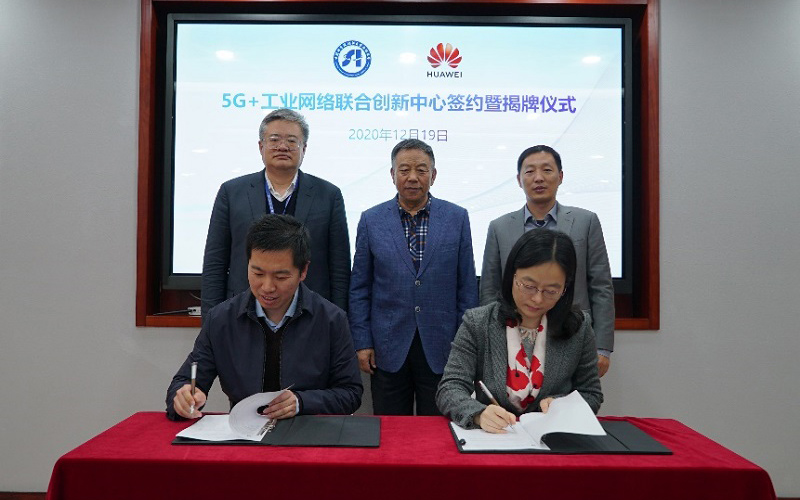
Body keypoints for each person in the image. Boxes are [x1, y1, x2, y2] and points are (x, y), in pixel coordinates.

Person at [167, 214, 362, 420]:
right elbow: (184, 382)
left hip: (307, 429)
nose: (267, 287)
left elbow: (350, 394)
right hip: (243, 431)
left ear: (303, 270)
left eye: (281, 277)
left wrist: (301, 402)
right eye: (258, 274)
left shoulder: (331, 320)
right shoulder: (221, 319)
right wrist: (183, 397)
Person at [349, 139, 479, 415]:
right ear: (392, 174)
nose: (412, 177)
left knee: (440, 427)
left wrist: (465, 345)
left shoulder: (456, 217)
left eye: (421, 170)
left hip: (443, 345)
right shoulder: (371, 220)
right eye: (404, 169)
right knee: (390, 428)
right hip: (387, 346)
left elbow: (467, 287)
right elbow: (360, 287)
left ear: (433, 175)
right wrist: (362, 342)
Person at [437, 229, 602, 432]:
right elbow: (450, 387)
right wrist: (479, 413)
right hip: (495, 438)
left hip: (552, 441)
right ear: (512, 276)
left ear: (565, 289)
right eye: (528, 286)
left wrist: (562, 406)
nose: (537, 299)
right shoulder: (478, 323)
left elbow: (591, 394)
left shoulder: (579, 327)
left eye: (551, 291)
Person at [201, 108, 350, 318]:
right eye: (274, 139)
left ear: (304, 148)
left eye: (291, 140)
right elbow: (215, 262)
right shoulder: (232, 192)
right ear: (261, 146)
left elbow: (339, 268)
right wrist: (211, 320)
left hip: (311, 314)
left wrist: (339, 320)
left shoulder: (328, 195)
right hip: (243, 312)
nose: (282, 146)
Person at [480, 145, 615, 376]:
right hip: (512, 334)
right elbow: (489, 289)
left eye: (547, 170)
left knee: (569, 397)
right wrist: (489, 341)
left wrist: (602, 347)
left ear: (560, 176)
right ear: (519, 180)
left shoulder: (586, 221)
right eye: (530, 171)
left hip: (571, 331)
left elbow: (601, 286)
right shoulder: (499, 227)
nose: (538, 178)